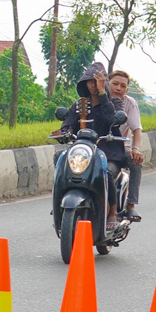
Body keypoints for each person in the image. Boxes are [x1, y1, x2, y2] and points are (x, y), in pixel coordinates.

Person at [57, 63, 131, 223]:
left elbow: (112, 119)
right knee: (60, 161)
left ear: (103, 83)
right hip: (84, 153)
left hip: (108, 152)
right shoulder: (79, 105)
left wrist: (103, 93)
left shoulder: (114, 103)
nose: (92, 85)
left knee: (107, 172)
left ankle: (112, 212)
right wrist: (64, 132)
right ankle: (58, 204)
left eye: (96, 81)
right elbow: (68, 123)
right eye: (89, 81)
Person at [107, 69, 144, 221]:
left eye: (123, 86)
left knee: (136, 162)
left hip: (121, 149)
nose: (118, 88)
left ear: (127, 89)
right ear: (107, 84)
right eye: (115, 84)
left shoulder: (130, 103)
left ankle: (131, 205)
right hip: (99, 149)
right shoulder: (98, 100)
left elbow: (137, 129)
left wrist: (136, 148)